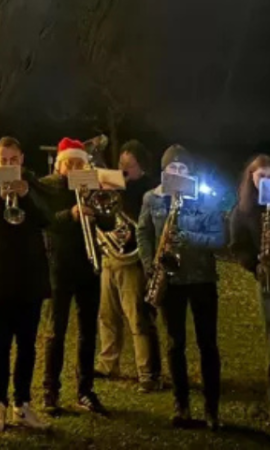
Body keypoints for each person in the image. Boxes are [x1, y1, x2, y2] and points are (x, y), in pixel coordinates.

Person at [138, 144, 225, 429]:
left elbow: (219, 240)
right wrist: (151, 264)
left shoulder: (207, 200)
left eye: (182, 169)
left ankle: (212, 409)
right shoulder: (152, 198)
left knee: (207, 344)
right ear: (163, 172)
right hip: (170, 280)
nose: (176, 173)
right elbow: (143, 232)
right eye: (171, 169)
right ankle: (181, 405)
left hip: (201, 279)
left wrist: (188, 236)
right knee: (175, 344)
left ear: (190, 173)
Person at [0, 137, 51, 431]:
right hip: (1, 273)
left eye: (13, 160)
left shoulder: (34, 184)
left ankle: (23, 403)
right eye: (3, 160)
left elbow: (47, 218)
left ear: (22, 160)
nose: (8, 165)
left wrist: (26, 194)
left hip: (30, 274)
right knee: (0, 343)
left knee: (28, 344)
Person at [40, 137, 113, 416]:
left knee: (87, 331)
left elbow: (109, 222)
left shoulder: (90, 184)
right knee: (56, 331)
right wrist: (70, 213)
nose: (73, 167)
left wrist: (101, 209)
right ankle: (50, 391)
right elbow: (45, 221)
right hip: (59, 264)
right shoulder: (48, 186)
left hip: (88, 264)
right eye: (69, 163)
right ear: (60, 164)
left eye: (79, 163)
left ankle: (85, 390)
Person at [230, 154, 270, 440]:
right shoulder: (243, 210)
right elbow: (237, 247)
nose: (266, 181)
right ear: (252, 179)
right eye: (261, 177)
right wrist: (255, 264)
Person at [94, 141, 163, 393]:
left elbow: (147, 227)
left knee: (138, 317)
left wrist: (130, 235)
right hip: (110, 256)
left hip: (133, 261)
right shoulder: (114, 185)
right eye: (120, 165)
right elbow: (105, 215)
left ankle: (148, 372)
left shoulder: (150, 189)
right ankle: (108, 363)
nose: (123, 170)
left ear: (141, 166)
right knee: (107, 314)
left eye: (128, 165)